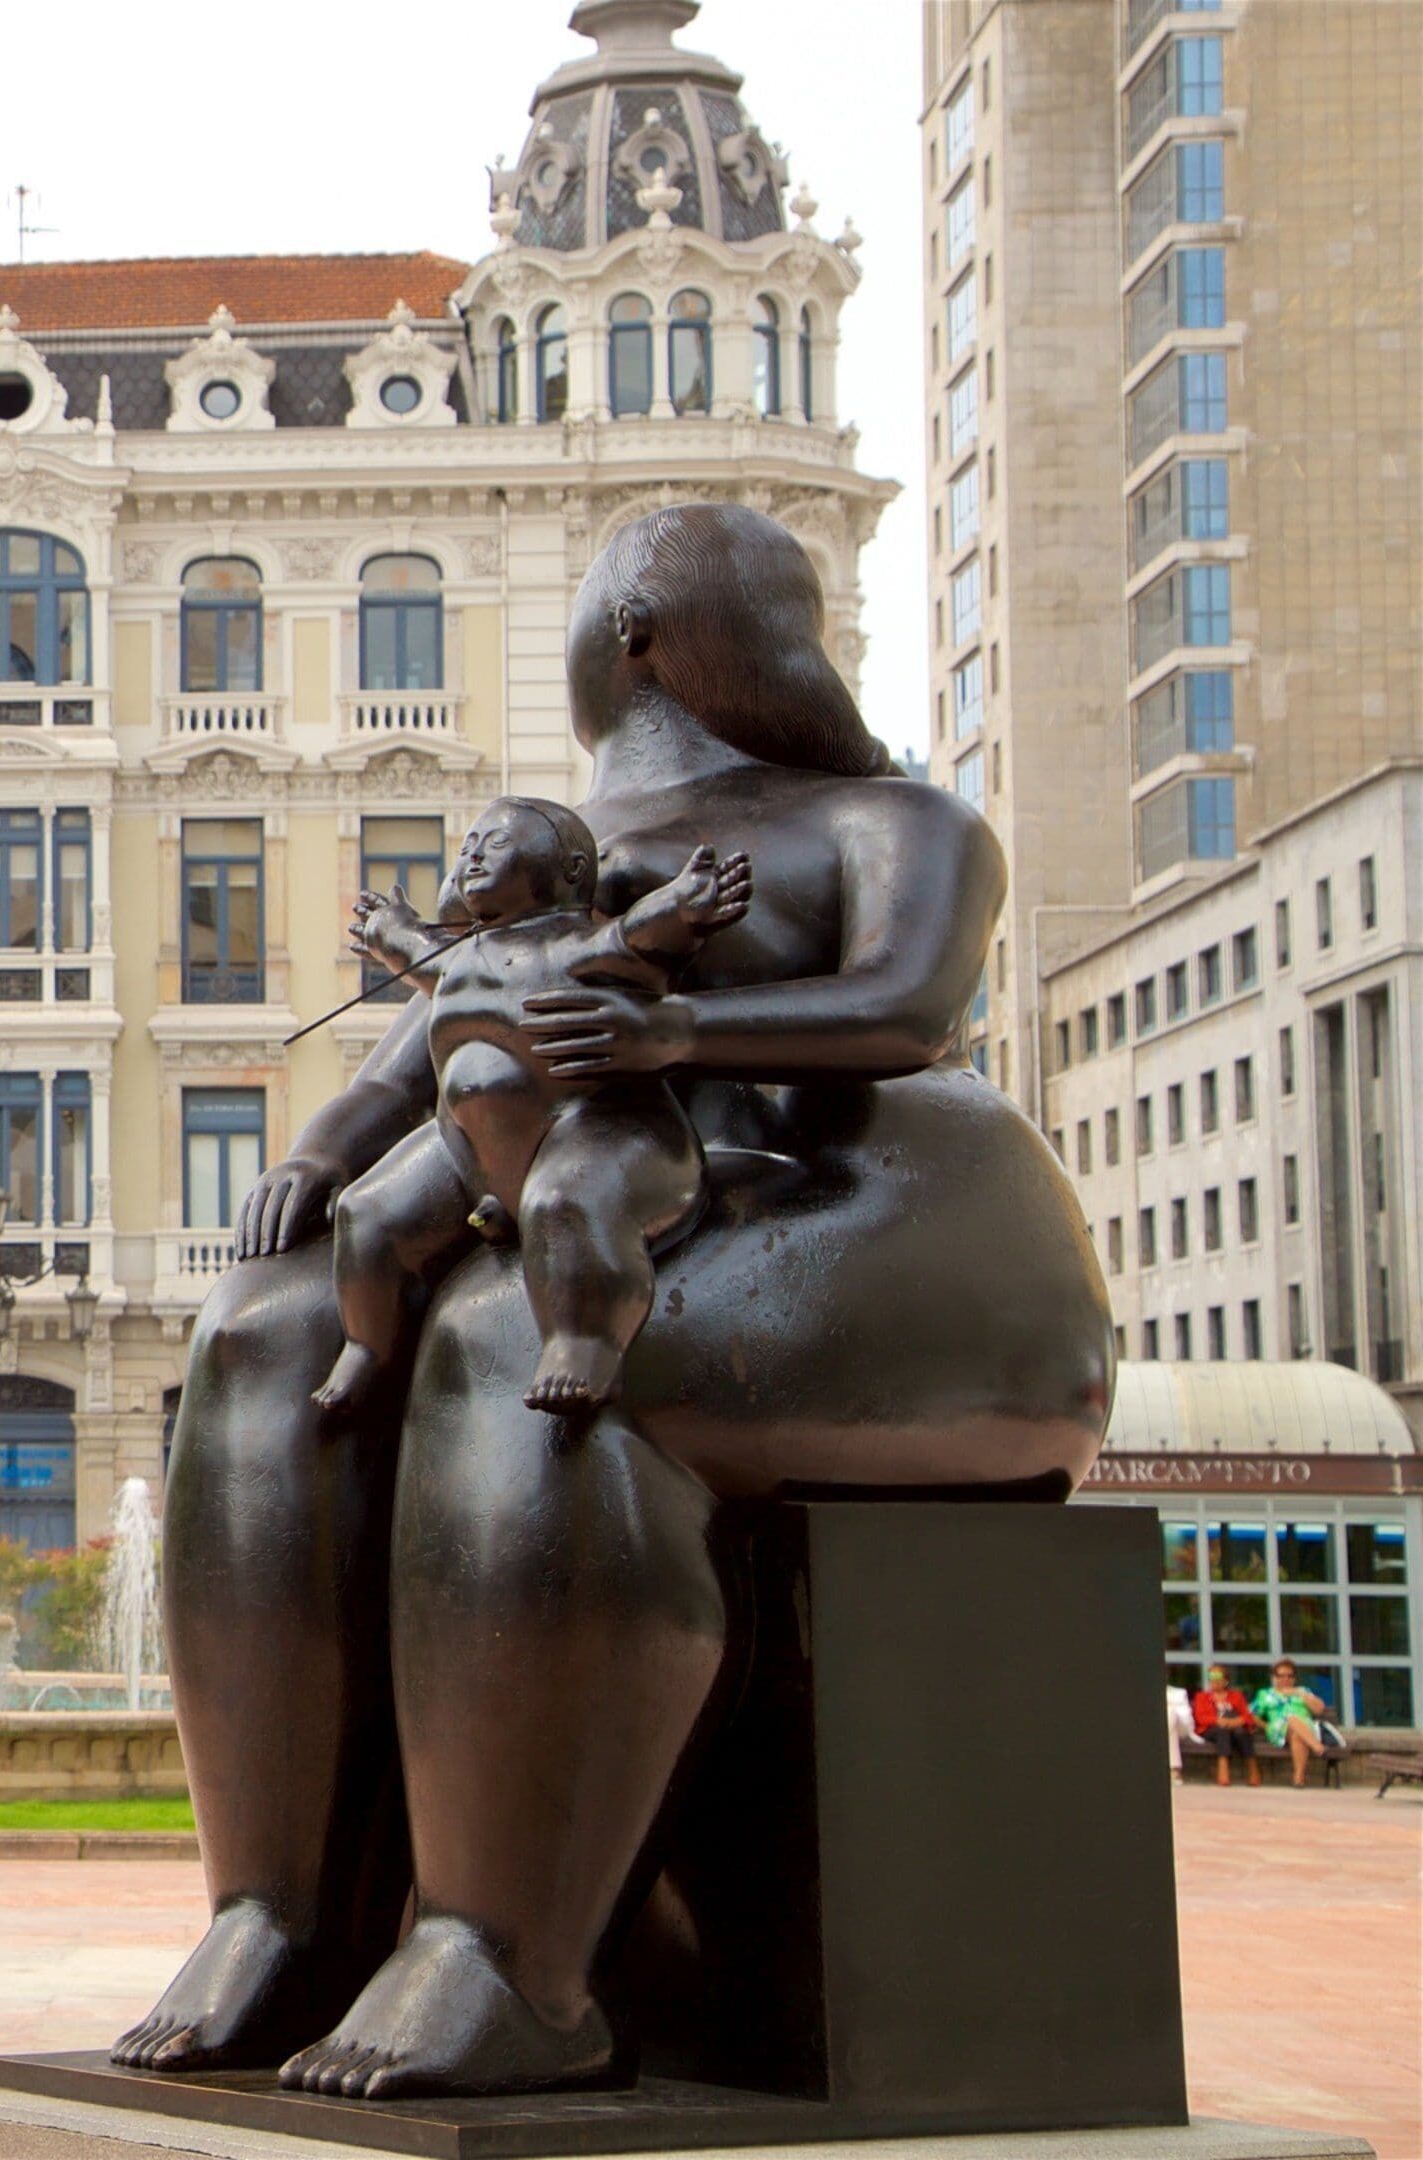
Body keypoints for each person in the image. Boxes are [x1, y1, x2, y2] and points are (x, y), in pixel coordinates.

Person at [133, 505, 1116, 2099]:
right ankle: (281, 1917)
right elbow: (424, 1050)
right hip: (621, 1200)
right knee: (259, 1339)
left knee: (521, 1337)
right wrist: (320, 1162)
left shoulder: (889, 822)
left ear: (640, 630)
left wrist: (673, 1047)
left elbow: (909, 1010)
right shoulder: (556, 864)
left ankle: (508, 1959)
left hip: (874, 1218)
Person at [320, 806, 755, 1413]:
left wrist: (685, 905)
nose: (471, 855)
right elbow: (411, 944)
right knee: (366, 1214)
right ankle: (368, 1346)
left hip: (588, 1131)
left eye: (494, 844)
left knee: (567, 1203)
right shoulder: (459, 958)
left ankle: (584, 1344)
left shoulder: (581, 945)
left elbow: (640, 933)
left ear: (571, 868)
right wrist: (386, 928)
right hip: (468, 1154)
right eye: (468, 843)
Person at [1253, 1659, 1341, 1789]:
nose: (1286, 1679)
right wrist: (1266, 1726)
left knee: (1297, 1735)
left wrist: (1299, 1693)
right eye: (1281, 1676)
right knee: (1291, 1718)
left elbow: (1319, 1709)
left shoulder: (1303, 1691)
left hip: (1305, 1729)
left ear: (1294, 1678)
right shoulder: (1265, 1694)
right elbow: (1252, 1715)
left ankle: (1298, 1778)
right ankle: (1318, 1747)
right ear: (1274, 1677)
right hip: (1277, 1729)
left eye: (1290, 1676)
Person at [1190, 1667, 1262, 1785]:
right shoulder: (1202, 1696)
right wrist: (1218, 1720)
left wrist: (1236, 1721)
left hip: (1235, 1728)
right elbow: (1200, 1718)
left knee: (1242, 1733)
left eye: (1218, 1677)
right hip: (1211, 1729)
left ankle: (1253, 1770)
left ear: (1226, 1681)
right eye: (1211, 1678)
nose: (1214, 1681)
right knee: (1222, 1731)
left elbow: (1248, 1716)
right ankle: (1223, 1771)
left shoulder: (1236, 1696)